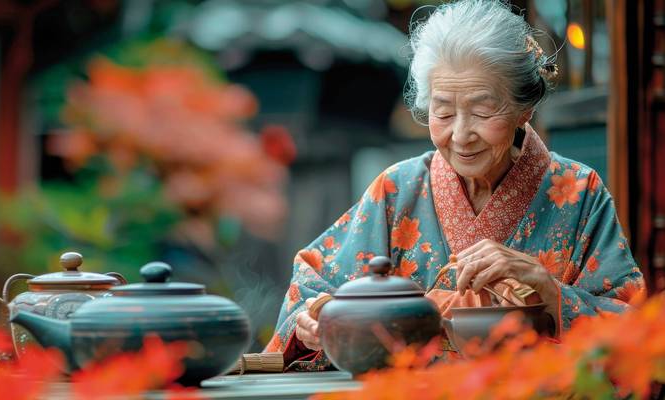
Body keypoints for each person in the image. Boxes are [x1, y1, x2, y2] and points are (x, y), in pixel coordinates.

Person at [265, 0, 645, 370]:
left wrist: (550, 292)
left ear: (523, 110)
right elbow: (310, 292)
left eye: (482, 111)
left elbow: (636, 334)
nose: (461, 135)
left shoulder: (578, 191)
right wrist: (315, 323)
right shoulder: (397, 190)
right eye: (443, 112)